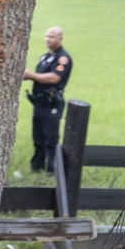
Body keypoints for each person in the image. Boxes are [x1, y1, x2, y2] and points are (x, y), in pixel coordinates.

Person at [23, 26, 73, 173]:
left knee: (50, 138)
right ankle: (36, 168)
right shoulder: (45, 57)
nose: (48, 39)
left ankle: (52, 171)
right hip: (39, 102)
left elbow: (54, 77)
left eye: (52, 37)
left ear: (60, 38)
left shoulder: (63, 58)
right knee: (37, 137)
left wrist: (31, 75)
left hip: (51, 103)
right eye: (47, 36)